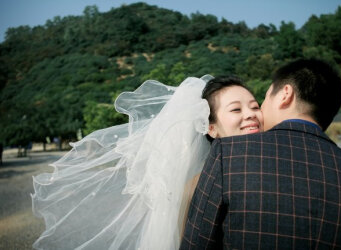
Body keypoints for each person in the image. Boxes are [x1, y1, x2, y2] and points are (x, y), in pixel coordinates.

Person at [32, 75, 263, 250]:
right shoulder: (198, 184)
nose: (251, 114)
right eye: (236, 109)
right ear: (211, 128)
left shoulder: (273, 164)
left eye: (255, 106)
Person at [181, 58, 341, 249]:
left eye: (258, 103)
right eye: (236, 109)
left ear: (285, 94)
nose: (255, 114)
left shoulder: (228, 160)